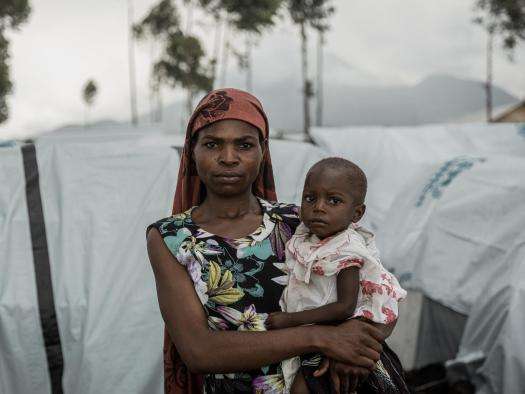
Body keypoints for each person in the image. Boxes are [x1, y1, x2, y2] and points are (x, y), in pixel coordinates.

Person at [146, 88, 400, 394]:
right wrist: (321, 338)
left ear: (262, 151)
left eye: (244, 145)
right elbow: (199, 350)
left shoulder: (300, 222)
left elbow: (377, 294)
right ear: (192, 150)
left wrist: (354, 347)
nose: (228, 158)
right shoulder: (172, 238)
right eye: (212, 144)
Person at [265, 158, 408, 393]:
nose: (319, 207)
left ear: (357, 213)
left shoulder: (346, 250)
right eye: (310, 198)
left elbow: (344, 307)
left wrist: (290, 320)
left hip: (345, 334)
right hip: (320, 336)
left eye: (334, 201)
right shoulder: (307, 236)